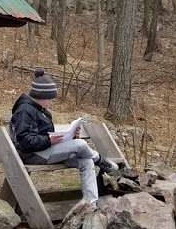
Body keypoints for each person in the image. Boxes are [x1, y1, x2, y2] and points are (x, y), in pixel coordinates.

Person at [9, 68, 116, 208]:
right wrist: (49, 140)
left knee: (86, 161)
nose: (50, 102)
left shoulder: (39, 110)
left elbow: (45, 134)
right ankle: (99, 159)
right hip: (33, 154)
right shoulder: (24, 110)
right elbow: (24, 141)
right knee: (81, 145)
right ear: (41, 95)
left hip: (45, 150)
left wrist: (70, 136)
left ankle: (91, 205)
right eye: (49, 98)